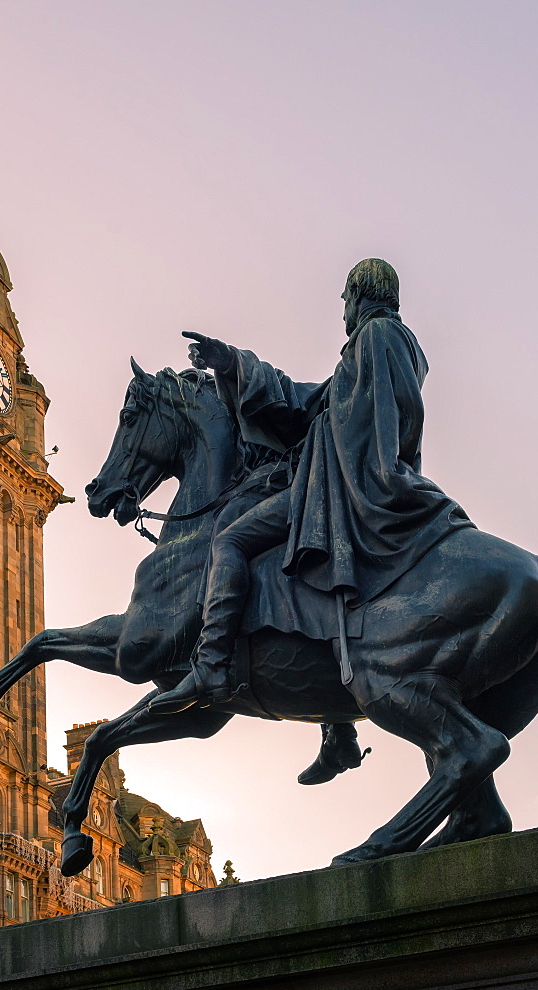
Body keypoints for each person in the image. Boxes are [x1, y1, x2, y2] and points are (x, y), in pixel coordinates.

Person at [149, 258, 473, 715]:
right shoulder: (375, 346)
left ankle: (212, 664)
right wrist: (234, 363)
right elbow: (311, 403)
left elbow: (375, 420)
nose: (342, 309)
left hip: (344, 485)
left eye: (344, 299)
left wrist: (360, 467)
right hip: (339, 478)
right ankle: (335, 727)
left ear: (361, 294)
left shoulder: (379, 337)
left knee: (232, 540)